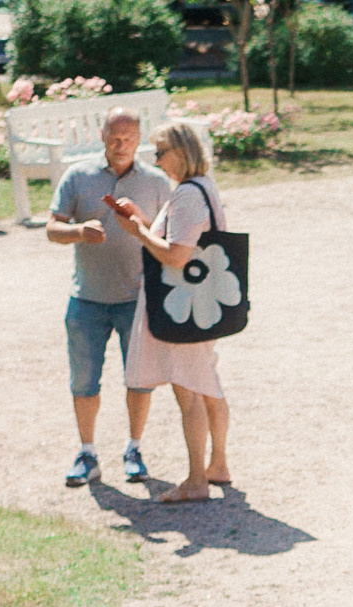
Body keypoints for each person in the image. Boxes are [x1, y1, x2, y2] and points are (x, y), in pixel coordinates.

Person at [46, 107, 170, 489]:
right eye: (115, 138)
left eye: (129, 139)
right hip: (87, 298)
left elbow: (170, 237)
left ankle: (134, 449)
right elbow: (52, 228)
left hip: (138, 297)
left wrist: (141, 226)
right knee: (83, 381)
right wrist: (80, 231)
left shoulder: (156, 182)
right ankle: (87, 453)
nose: (121, 145)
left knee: (140, 379)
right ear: (101, 135)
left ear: (140, 138)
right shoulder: (78, 176)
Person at [110, 120, 232, 504]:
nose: (157, 161)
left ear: (181, 151)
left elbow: (176, 256)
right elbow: (184, 243)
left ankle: (196, 480)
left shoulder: (186, 196)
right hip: (205, 302)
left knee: (190, 391)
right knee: (208, 386)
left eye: (161, 152)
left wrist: (138, 233)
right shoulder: (204, 188)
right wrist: (144, 223)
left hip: (185, 308)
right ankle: (218, 465)